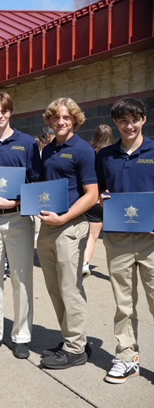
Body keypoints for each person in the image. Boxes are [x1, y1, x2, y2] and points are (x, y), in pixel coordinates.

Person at [0, 92, 42, 359]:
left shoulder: (26, 143)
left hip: (19, 218)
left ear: (10, 112)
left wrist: (14, 203)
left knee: (21, 278)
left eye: (3, 111)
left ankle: (22, 335)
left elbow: (36, 182)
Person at [36, 98, 98, 370]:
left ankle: (75, 349)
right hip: (49, 226)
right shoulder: (49, 149)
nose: (60, 122)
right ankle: (73, 339)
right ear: (49, 120)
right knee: (54, 288)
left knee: (70, 288)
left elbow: (92, 194)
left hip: (70, 227)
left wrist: (65, 217)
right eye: (55, 118)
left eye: (66, 118)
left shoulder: (83, 150)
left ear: (74, 120)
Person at [97, 98, 154, 383]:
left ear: (143, 119)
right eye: (123, 121)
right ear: (116, 123)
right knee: (123, 303)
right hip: (118, 239)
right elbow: (97, 191)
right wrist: (102, 200)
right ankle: (126, 356)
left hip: (151, 241)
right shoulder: (105, 155)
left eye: (134, 119)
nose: (129, 125)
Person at [82, 124, 115, 277]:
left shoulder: (90, 153)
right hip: (112, 201)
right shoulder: (113, 154)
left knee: (92, 236)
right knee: (115, 237)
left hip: (93, 200)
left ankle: (85, 263)